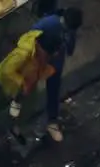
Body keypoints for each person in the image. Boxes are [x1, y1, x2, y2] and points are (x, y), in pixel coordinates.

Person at [0, 27, 63, 144]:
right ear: (39, 47)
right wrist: (22, 84)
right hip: (10, 84)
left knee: (25, 107)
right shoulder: (23, 54)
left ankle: (14, 126)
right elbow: (7, 71)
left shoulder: (42, 51)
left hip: (30, 84)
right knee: (1, 103)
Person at [31, 7, 82, 142]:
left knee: (53, 91)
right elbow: (30, 37)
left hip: (55, 64)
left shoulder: (70, 30)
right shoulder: (48, 23)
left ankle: (51, 121)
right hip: (38, 59)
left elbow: (70, 47)